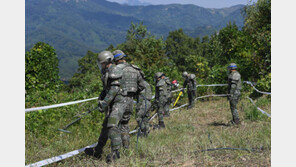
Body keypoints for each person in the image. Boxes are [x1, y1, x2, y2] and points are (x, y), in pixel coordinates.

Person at [112, 50, 146, 146]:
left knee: (114, 126)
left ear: (116, 60)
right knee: (125, 124)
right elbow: (142, 85)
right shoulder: (135, 69)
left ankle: (115, 151)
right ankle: (126, 147)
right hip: (130, 101)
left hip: (118, 101)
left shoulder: (115, 70)